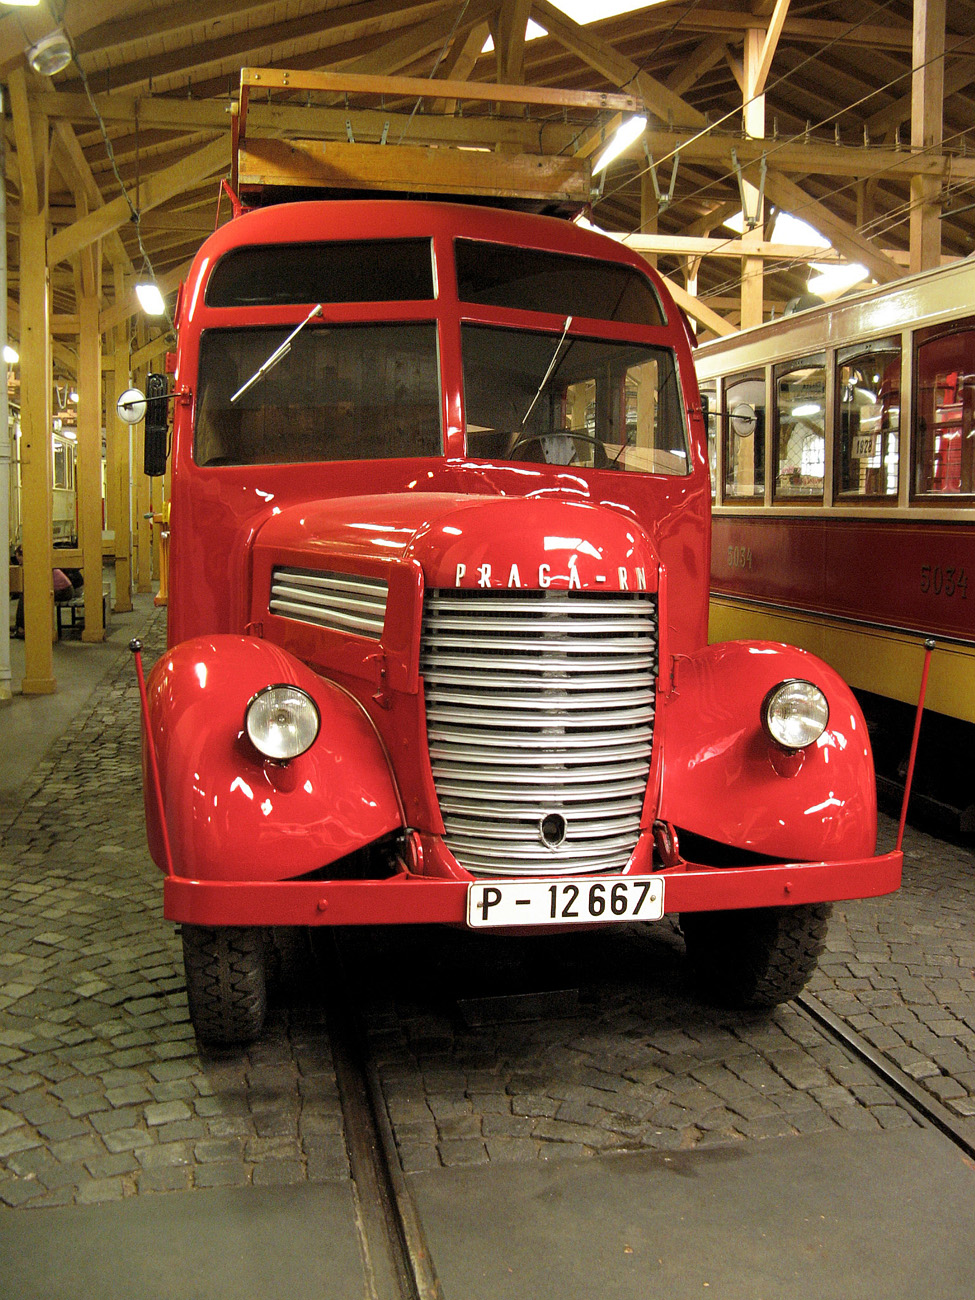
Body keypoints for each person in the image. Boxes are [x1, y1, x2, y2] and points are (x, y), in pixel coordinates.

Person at [11, 549, 77, 637]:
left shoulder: (37, 565)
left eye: (20, 560)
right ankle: (21, 625)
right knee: (27, 595)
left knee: (25, 596)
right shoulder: (40, 561)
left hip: (64, 591)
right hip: (64, 589)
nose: (20, 563)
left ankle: (21, 627)